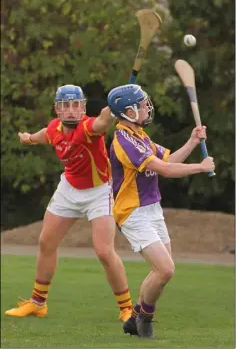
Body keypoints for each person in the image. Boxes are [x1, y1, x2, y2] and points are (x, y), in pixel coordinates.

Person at [5, 84, 132, 322]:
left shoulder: (88, 127)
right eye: (65, 106)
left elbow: (102, 122)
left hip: (98, 191)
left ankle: (127, 308)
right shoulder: (55, 128)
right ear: (57, 109)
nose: (71, 110)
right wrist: (29, 139)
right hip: (69, 189)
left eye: (76, 105)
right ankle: (37, 303)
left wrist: (113, 109)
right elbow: (46, 134)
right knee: (46, 241)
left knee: (104, 251)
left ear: (83, 107)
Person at [107, 84, 215, 338]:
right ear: (129, 111)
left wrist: (192, 141)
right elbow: (165, 171)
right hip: (132, 212)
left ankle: (135, 318)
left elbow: (168, 160)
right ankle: (144, 319)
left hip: (152, 208)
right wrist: (200, 167)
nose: (148, 107)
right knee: (165, 269)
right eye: (143, 104)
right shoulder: (124, 141)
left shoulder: (140, 136)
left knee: (162, 271)